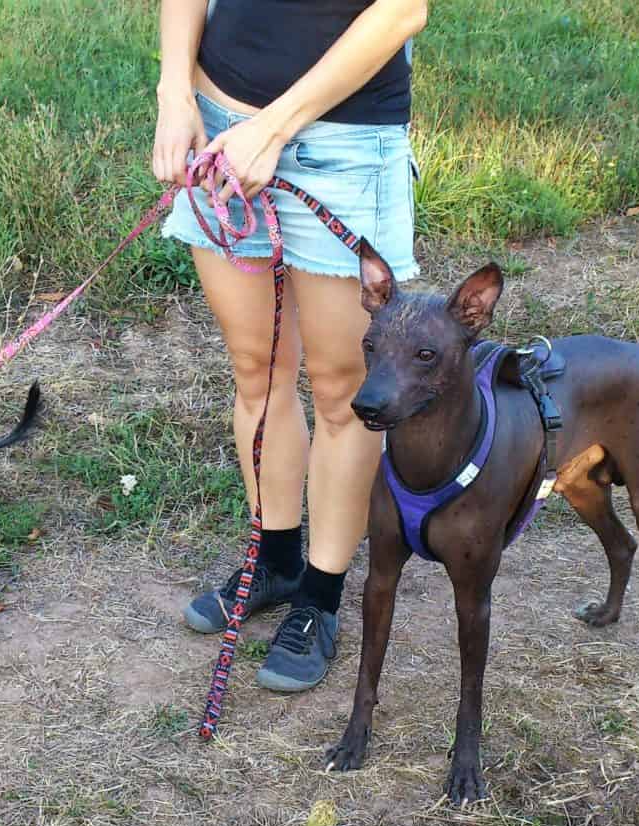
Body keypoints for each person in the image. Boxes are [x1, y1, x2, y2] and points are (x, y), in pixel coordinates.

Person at [152, 0, 428, 691]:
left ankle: (320, 597)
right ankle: (274, 561)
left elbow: (401, 12)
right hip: (218, 125)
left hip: (344, 146)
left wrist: (271, 129)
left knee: (342, 390)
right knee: (256, 370)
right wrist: (174, 90)